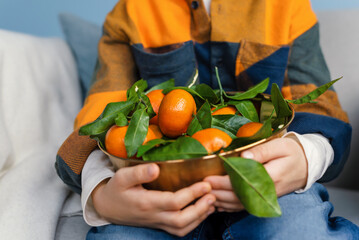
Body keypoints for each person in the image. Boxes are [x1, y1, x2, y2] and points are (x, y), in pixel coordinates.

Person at [56, 0, 359, 239]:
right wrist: (101, 195)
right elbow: (98, 123)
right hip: (158, 189)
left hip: (268, 183)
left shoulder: (287, 6)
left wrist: (305, 157)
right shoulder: (130, 13)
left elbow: (322, 113)